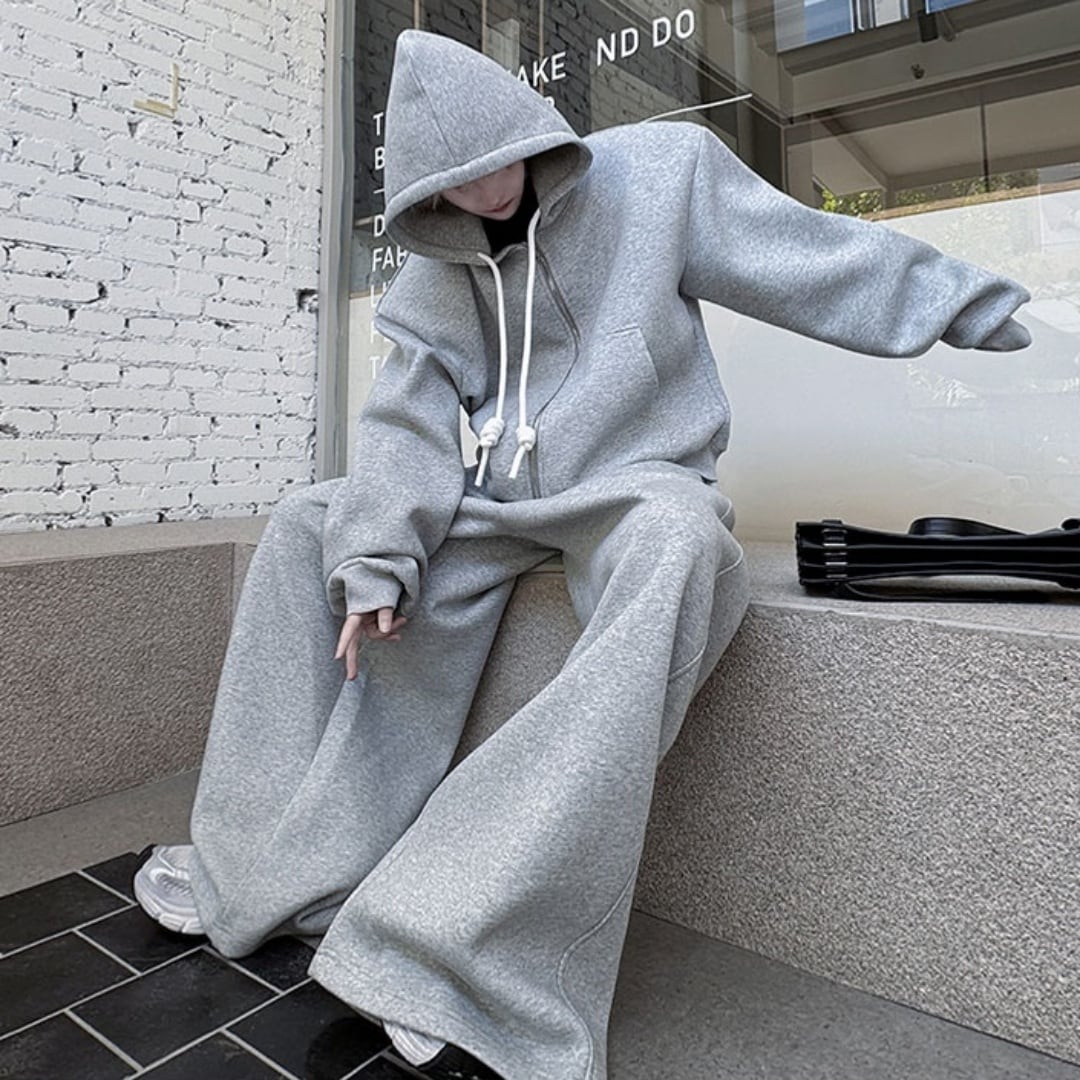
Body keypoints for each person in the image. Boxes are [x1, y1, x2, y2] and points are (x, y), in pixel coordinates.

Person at [133, 28, 1031, 1080]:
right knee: (306, 523)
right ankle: (269, 870)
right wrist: (377, 558)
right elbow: (406, 424)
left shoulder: (661, 174)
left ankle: (453, 937)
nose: (484, 194)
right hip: (499, 503)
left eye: (497, 165)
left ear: (529, 132)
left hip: (634, 483)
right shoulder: (438, 268)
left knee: (682, 545)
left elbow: (806, 254)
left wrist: (962, 301)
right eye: (454, 186)